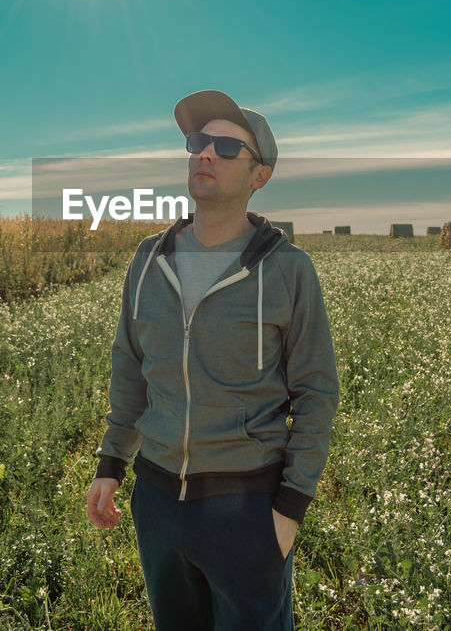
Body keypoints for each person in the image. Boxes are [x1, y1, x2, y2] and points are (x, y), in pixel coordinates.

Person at [85, 89, 339, 631]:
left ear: (259, 175)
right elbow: (130, 366)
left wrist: (289, 509)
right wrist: (112, 463)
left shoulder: (290, 270)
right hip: (156, 502)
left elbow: (317, 393)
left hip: (247, 508)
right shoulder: (148, 259)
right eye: (199, 143)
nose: (205, 154)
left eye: (226, 147)